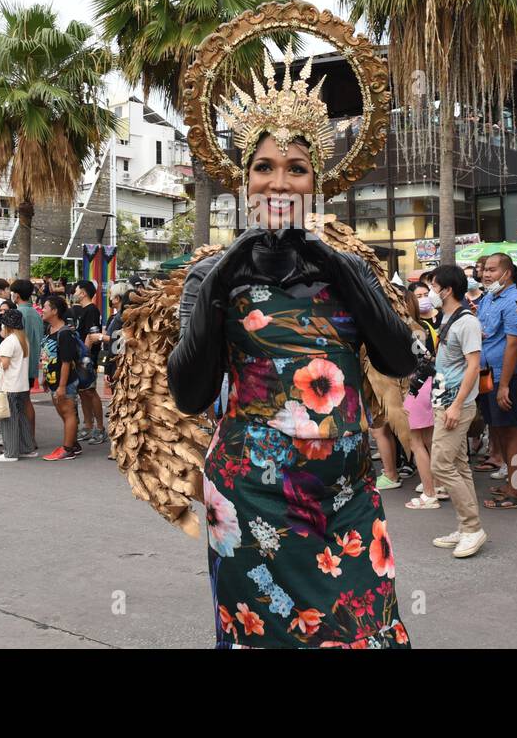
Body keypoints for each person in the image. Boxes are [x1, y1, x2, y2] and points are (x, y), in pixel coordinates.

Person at [155, 36, 416, 648]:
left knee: (364, 632)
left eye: (296, 168)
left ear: (316, 180)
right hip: (249, 496)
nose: (279, 181)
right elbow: (190, 394)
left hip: (346, 496)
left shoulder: (351, 266)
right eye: (264, 167)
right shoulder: (210, 275)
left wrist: (342, 269)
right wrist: (222, 280)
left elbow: (400, 358)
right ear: (244, 181)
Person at [423, 265, 487, 557]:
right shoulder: (450, 317)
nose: (430, 293)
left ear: (447, 289)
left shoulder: (467, 321)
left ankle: (472, 529)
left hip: (455, 404)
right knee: (458, 466)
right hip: (444, 400)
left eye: (433, 287)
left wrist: (457, 405)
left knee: (441, 465)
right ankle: (466, 527)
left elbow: (474, 365)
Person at [478, 252, 517, 511]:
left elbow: (514, 345)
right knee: (500, 429)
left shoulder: (516, 300)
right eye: (484, 270)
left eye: (491, 269)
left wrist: (504, 385)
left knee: (512, 429)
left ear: (507, 273)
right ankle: (512, 483)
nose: (486, 274)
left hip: (509, 376)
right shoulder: (488, 298)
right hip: (488, 373)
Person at [402, 290, 444, 510]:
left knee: (417, 442)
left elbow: (418, 360)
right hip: (427, 385)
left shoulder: (410, 331)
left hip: (416, 389)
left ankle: (429, 493)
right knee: (428, 440)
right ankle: (437, 486)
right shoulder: (422, 327)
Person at [40, 295, 83, 461]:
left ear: (55, 311)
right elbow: (48, 355)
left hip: (64, 382)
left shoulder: (64, 334)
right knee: (63, 412)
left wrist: (62, 386)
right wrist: (45, 377)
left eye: (45, 307)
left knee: (68, 412)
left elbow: (66, 362)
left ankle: (67, 449)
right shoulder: (49, 329)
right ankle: (73, 443)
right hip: (53, 380)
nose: (42, 310)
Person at [0, 308, 35, 462]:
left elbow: (4, 365)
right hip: (21, 385)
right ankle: (27, 448)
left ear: (6, 325)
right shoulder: (23, 339)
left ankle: (11, 452)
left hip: (9, 385)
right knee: (21, 418)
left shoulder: (8, 342)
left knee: (9, 420)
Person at [71, 280, 107, 445]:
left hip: (86, 358)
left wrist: (85, 357)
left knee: (90, 392)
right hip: (79, 358)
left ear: (83, 292)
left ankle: (99, 428)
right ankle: (87, 425)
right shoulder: (81, 310)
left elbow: (93, 337)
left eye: (77, 290)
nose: (75, 293)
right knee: (83, 392)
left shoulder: (91, 310)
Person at [10, 279, 45, 446]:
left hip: (18, 364)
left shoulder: (18, 314)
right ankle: (30, 437)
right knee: (26, 400)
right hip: (31, 364)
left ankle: (23, 439)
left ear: (16, 295)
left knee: (18, 402)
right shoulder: (36, 314)